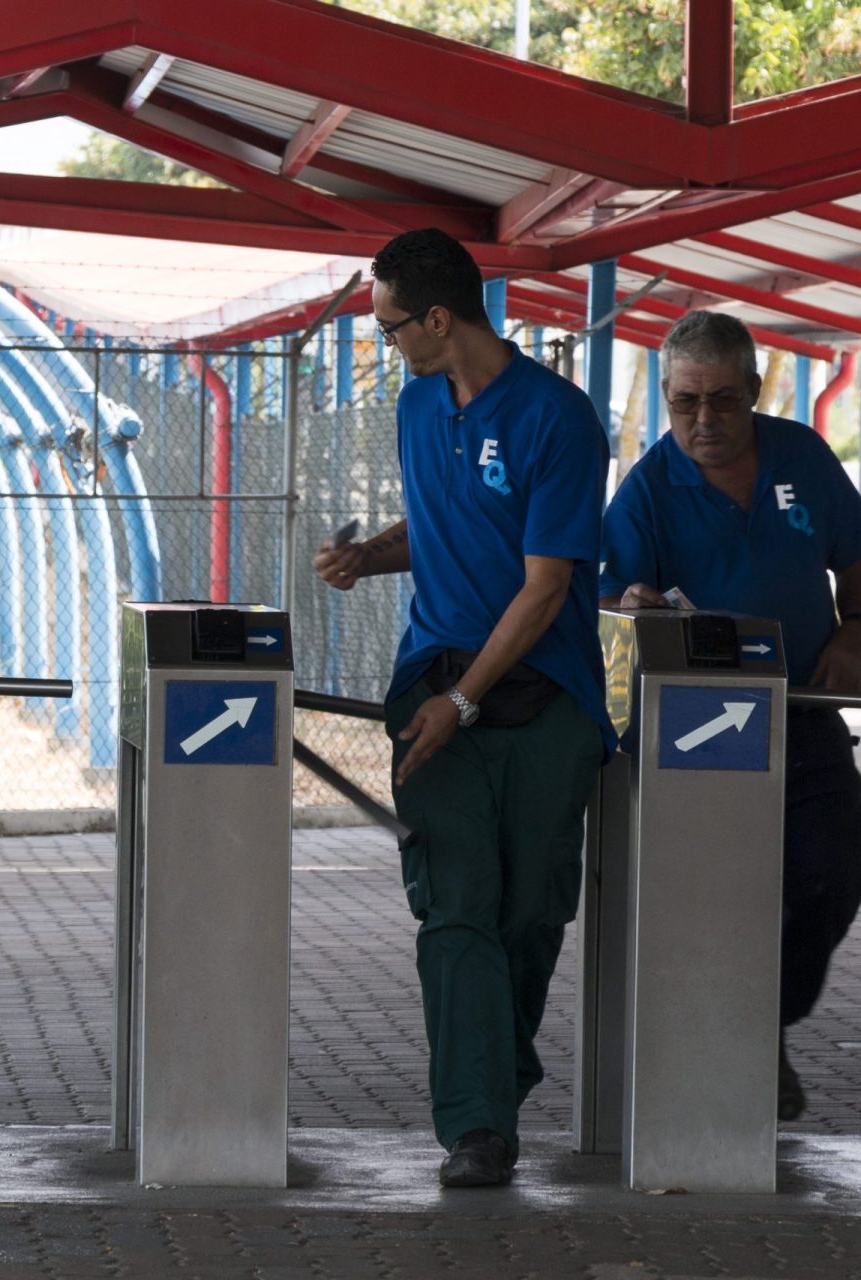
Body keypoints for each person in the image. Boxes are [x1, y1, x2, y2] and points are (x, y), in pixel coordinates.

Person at [312, 228, 613, 1188]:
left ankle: (497, 1069)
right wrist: (371, 556)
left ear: (439, 319)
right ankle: (477, 1126)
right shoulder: (415, 408)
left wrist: (464, 703)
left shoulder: (559, 420)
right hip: (431, 679)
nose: (386, 342)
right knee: (456, 910)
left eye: (392, 325)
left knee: (530, 912)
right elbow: (445, 526)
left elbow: (544, 587)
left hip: (540, 696)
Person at [598, 311, 861, 1122]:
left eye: (723, 401)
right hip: (702, 727)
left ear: (755, 392)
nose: (703, 421)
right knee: (713, 892)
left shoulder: (801, 455)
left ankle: (764, 1019)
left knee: (834, 868)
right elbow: (612, 599)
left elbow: (856, 566)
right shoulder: (649, 487)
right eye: (685, 402)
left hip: (805, 712)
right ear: (665, 396)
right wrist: (631, 603)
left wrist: (856, 635)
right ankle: (719, 1047)